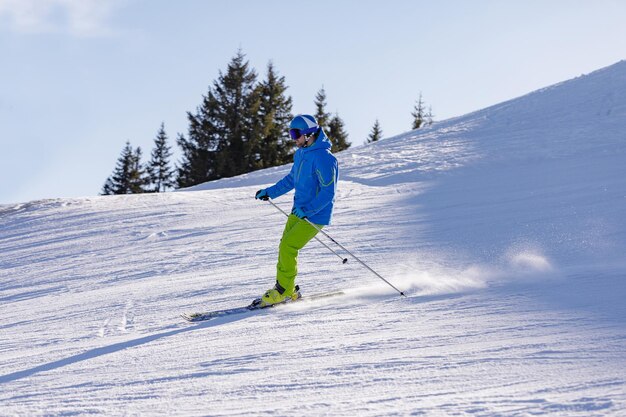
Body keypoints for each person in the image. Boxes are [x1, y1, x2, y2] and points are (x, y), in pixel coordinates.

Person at [255, 114, 339, 307]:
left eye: (296, 134)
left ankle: (283, 291)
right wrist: (270, 192)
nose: (294, 139)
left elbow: (328, 193)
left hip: (315, 215)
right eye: (291, 134)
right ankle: (288, 289)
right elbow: (292, 179)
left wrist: (308, 210)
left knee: (288, 247)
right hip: (297, 211)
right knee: (285, 246)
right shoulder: (301, 154)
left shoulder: (325, 159)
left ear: (309, 134)